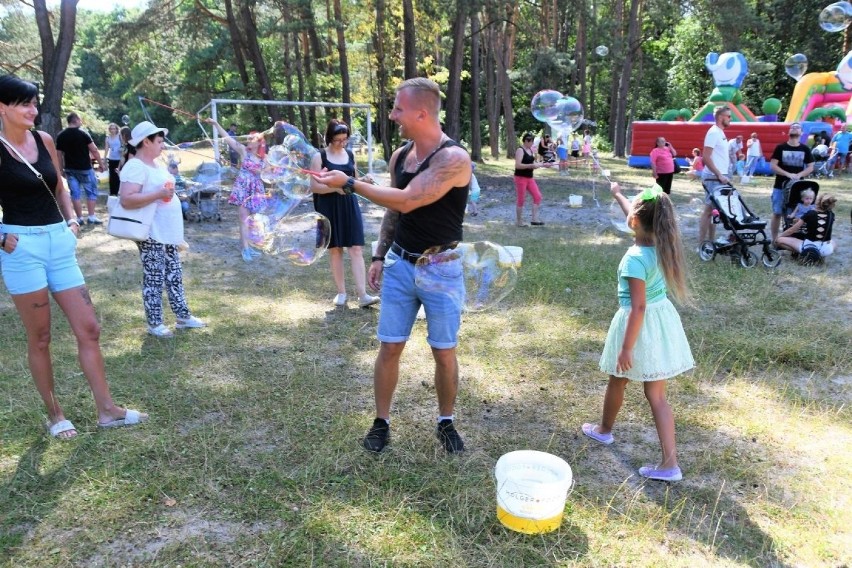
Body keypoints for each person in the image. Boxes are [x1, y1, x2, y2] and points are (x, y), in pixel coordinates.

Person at [312, 77, 472, 454]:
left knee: (444, 351)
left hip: (442, 267)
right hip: (400, 264)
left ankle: (445, 421)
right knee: (389, 347)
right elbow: (393, 213)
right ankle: (381, 421)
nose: (392, 115)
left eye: (398, 108)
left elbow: (407, 200)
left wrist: (349, 183)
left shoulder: (453, 159)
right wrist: (380, 255)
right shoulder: (401, 156)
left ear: (421, 112)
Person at [0, 74, 147, 439]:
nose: (33, 110)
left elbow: (59, 183)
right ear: (2, 106)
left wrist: (72, 220)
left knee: (90, 328)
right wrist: (1, 237)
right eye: (24, 104)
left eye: (35, 102)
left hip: (59, 242)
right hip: (22, 247)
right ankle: (55, 414)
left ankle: (107, 410)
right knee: (41, 337)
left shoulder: (44, 139)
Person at [582, 182, 693, 482]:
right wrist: (618, 193)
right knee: (657, 396)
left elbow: (637, 308)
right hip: (659, 323)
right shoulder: (661, 245)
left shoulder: (634, 259)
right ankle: (670, 463)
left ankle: (605, 430)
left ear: (634, 221)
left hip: (638, 326)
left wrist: (627, 348)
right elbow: (636, 214)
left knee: (617, 380)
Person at [118, 121, 206, 338]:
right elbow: (127, 199)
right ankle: (155, 322)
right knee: (155, 277)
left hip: (167, 232)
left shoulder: (157, 165)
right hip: (151, 233)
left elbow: (163, 192)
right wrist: (158, 194)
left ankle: (182, 316)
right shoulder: (135, 166)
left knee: (174, 275)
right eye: (158, 141)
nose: (162, 146)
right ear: (145, 142)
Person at [308, 119, 379, 308]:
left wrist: (364, 180)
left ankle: (363, 295)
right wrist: (335, 189)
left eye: (345, 139)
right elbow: (314, 187)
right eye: (338, 139)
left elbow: (352, 181)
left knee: (355, 248)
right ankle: (341, 293)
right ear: (330, 138)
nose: (342, 143)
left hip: (348, 204)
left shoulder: (349, 154)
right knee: (335, 249)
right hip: (327, 207)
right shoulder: (319, 157)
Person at [206, 118, 266, 262]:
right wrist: (215, 123)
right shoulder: (244, 151)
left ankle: (248, 246)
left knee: (251, 220)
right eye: (249, 138)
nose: (249, 140)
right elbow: (228, 139)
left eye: (252, 139)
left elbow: (270, 173)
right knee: (243, 219)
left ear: (259, 142)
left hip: (255, 190)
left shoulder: (264, 158)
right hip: (243, 189)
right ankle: (245, 249)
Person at [56, 112, 106, 226]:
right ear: (76, 120)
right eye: (80, 119)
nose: (81, 121)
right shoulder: (83, 133)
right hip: (85, 169)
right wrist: (101, 164)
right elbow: (94, 149)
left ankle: (79, 218)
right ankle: (91, 216)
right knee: (91, 192)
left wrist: (60, 169)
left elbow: (58, 154)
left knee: (75, 194)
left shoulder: (61, 135)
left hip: (69, 169)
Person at [769, 122, 814, 241]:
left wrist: (799, 175)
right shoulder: (781, 147)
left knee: (795, 214)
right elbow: (773, 165)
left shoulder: (805, 149)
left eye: (797, 127)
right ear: (789, 132)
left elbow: (811, 167)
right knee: (777, 212)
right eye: (792, 127)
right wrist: (787, 174)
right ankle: (775, 240)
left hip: (797, 188)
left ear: (801, 132)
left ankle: (791, 240)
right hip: (780, 186)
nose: (794, 128)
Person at [699, 106, 732, 246]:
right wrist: (719, 174)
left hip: (720, 176)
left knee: (715, 211)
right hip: (713, 177)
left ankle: (711, 241)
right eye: (729, 116)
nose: (730, 119)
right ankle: (701, 244)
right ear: (720, 117)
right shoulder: (713, 132)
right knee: (708, 210)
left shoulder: (721, 133)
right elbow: (706, 157)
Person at [775, 194, 838, 260]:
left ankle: (804, 253)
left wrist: (779, 236)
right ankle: (820, 255)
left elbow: (792, 230)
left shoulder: (810, 213)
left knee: (779, 240)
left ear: (817, 202)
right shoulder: (831, 215)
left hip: (808, 247)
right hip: (826, 250)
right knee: (833, 242)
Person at [514, 132, 552, 226]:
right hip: (520, 178)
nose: (532, 144)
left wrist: (544, 164)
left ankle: (534, 219)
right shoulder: (520, 150)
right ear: (526, 141)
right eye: (531, 142)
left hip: (529, 178)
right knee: (521, 199)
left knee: (537, 196)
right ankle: (519, 222)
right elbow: (518, 165)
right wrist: (531, 165)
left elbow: (534, 162)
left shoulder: (530, 150)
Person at [103, 122, 123, 196]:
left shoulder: (119, 136)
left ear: (116, 129)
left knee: (117, 175)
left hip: (119, 158)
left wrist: (121, 149)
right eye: (111, 128)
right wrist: (104, 159)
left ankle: (118, 192)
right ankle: (112, 193)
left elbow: (123, 145)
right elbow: (106, 149)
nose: (112, 130)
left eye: (114, 128)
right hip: (111, 158)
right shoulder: (107, 138)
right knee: (111, 176)